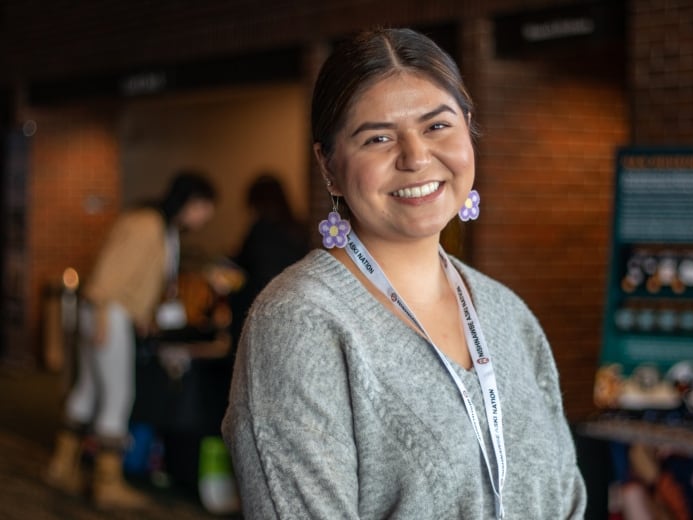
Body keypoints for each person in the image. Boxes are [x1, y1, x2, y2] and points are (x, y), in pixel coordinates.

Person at [222, 27, 586, 519]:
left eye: (437, 126)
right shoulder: (300, 323)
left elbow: (566, 500)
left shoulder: (507, 313)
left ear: (469, 129)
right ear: (328, 166)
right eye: (378, 137)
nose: (416, 157)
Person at [43, 170, 217, 509]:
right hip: (109, 314)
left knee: (89, 391)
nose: (205, 217)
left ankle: (61, 466)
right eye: (205, 208)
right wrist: (109, 316)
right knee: (118, 396)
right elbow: (111, 273)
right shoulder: (149, 226)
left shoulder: (153, 224)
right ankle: (106, 483)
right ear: (193, 202)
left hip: (107, 312)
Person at [229, 173, 308, 347]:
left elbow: (247, 268)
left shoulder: (260, 230)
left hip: (259, 307)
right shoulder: (298, 228)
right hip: (294, 310)